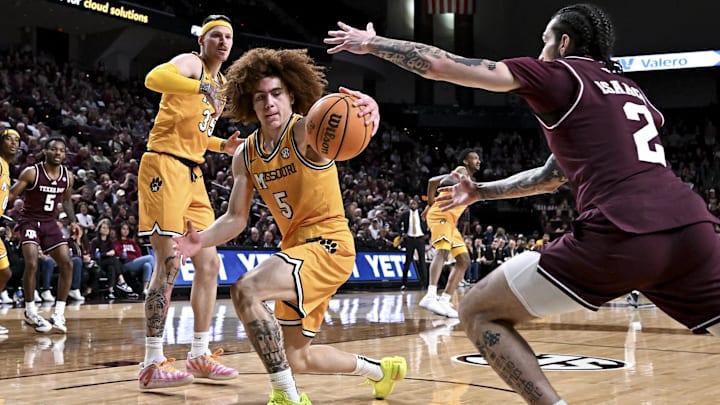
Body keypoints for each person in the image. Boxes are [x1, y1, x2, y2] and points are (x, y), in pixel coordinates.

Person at [325, 5, 720, 404]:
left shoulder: (560, 74)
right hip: (693, 228)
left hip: (623, 228)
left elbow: (441, 65)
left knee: (479, 311)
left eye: (545, 40)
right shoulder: (632, 91)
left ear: (563, 42)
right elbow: (550, 176)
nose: (541, 49)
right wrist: (480, 191)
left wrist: (372, 43)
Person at [174, 47, 406, 405]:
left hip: (330, 244)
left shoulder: (307, 132)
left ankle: (286, 397)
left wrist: (369, 108)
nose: (269, 103)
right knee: (298, 357)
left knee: (246, 289)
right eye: (260, 97)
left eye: (277, 94)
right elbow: (236, 218)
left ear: (292, 96)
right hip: (295, 249)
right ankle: (381, 371)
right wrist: (200, 240)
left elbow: (343, 118)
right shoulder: (245, 155)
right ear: (250, 104)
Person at [136, 14, 243, 389]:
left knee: (209, 262)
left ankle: (199, 352)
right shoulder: (192, 63)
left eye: (228, 37)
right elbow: (153, 79)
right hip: (164, 165)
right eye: (216, 35)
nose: (223, 42)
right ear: (202, 41)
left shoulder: (223, 84)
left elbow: (196, 132)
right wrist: (198, 87)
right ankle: (152, 362)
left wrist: (220, 146)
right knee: (168, 263)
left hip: (194, 173)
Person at [10, 136, 76, 333]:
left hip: (49, 223)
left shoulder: (68, 176)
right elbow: (12, 194)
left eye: (62, 150)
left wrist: (73, 222)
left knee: (67, 263)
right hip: (29, 220)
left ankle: (59, 313)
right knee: (31, 262)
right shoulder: (31, 172)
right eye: (54, 149)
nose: (58, 153)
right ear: (45, 152)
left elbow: (66, 201)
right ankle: (30, 311)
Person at [418, 149, 480, 318]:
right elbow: (444, 181)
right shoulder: (461, 171)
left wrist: (430, 203)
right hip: (441, 216)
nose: (478, 161)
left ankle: (445, 300)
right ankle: (430, 295)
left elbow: (432, 181)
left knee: (464, 260)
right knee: (443, 251)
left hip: (451, 221)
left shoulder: (459, 176)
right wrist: (432, 206)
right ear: (466, 161)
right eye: (474, 158)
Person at [0, 129, 19, 334]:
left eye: (17, 140)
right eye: (8, 138)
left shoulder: (6, 167)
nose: (13, 143)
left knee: (4, 272)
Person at [113, 222, 154, 297]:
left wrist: (138, 260)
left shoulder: (132, 242)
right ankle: (157, 282)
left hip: (135, 262)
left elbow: (139, 254)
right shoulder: (117, 242)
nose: (126, 231)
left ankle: (145, 290)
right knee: (150, 257)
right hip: (125, 264)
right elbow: (118, 254)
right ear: (120, 230)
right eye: (123, 229)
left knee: (147, 265)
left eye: (127, 229)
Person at [396, 198, 428, 290]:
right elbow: (398, 224)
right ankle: (404, 283)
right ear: (409, 205)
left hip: (420, 239)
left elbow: (430, 223)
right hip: (409, 239)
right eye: (411, 204)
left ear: (417, 205)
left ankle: (424, 284)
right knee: (408, 262)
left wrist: (427, 234)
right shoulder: (405, 214)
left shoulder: (422, 214)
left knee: (422, 261)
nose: (413, 205)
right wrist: (401, 234)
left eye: (414, 203)